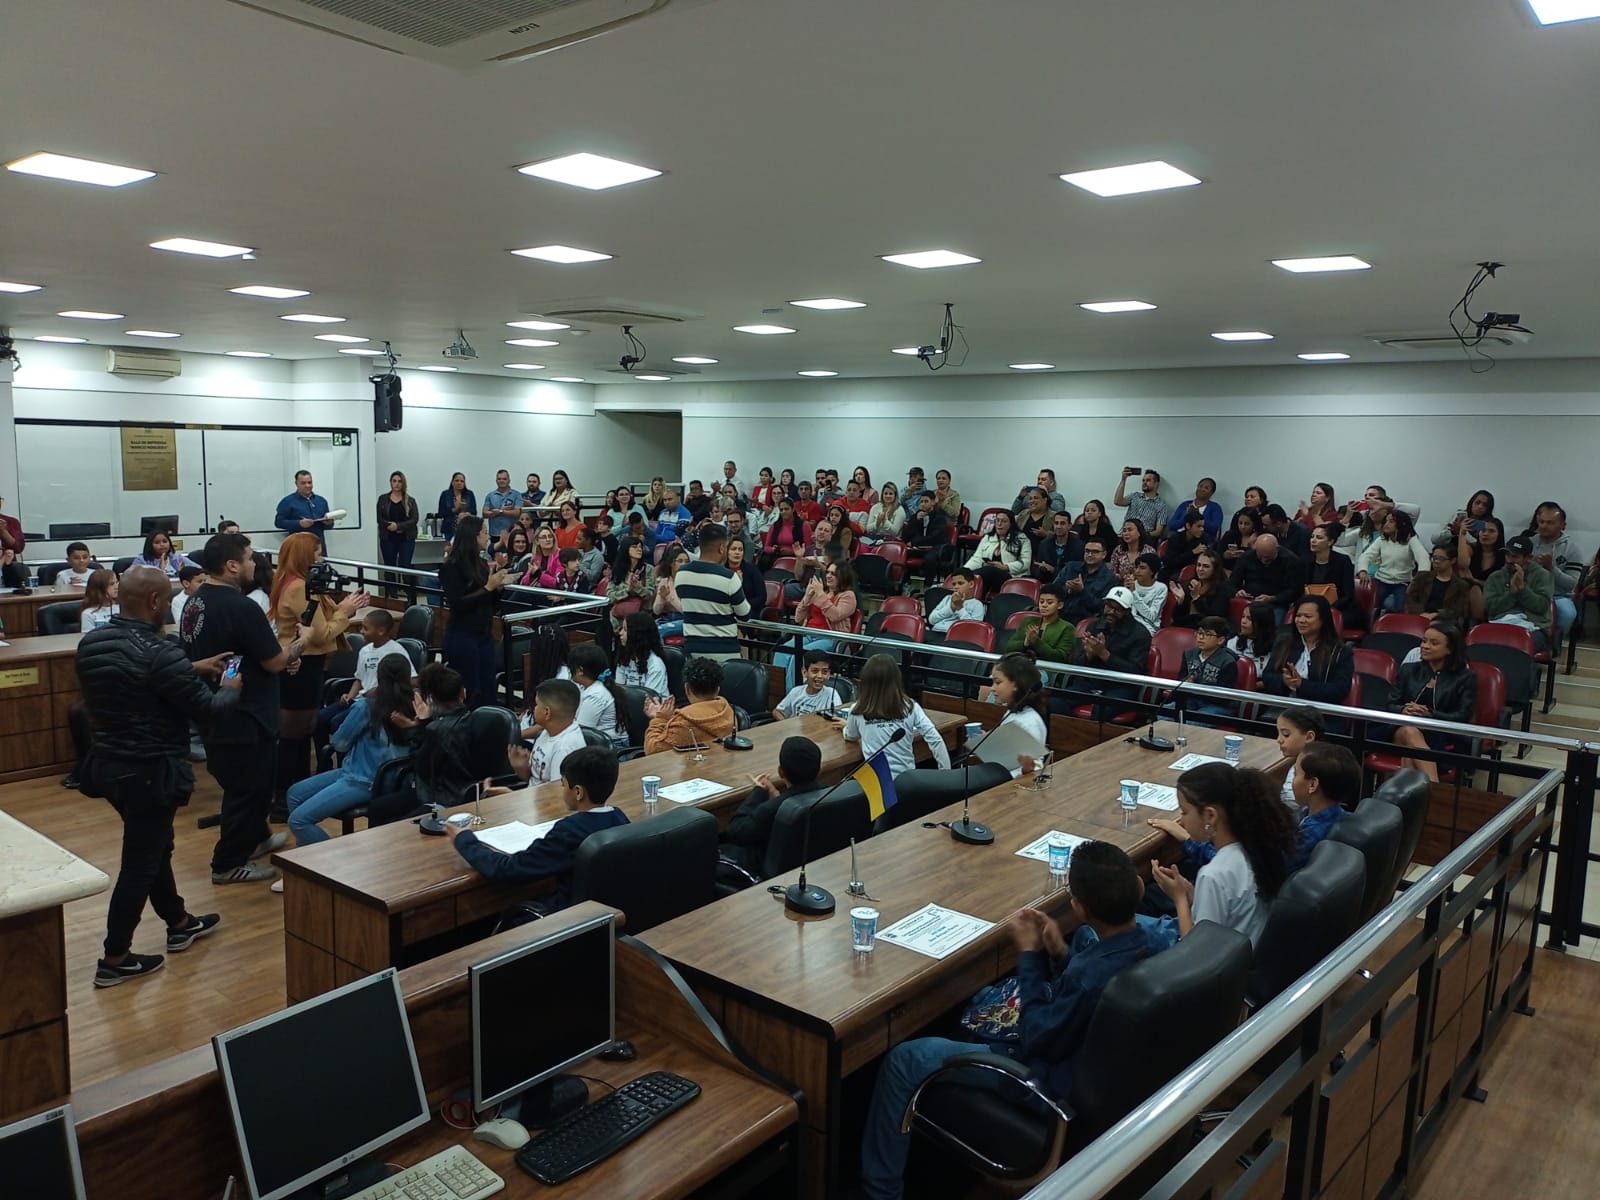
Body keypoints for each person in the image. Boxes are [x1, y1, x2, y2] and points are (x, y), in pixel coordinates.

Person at [858, 842, 1163, 1200]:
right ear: (1138, 888)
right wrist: (1059, 953)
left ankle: (879, 1193)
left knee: (904, 1060)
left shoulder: (1089, 978)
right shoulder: (1151, 943)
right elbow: (1082, 997)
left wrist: (1030, 955)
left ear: (1079, 907)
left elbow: (1036, 1037)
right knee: (980, 999)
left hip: (1043, 1082)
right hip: (1087, 1065)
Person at [76, 566, 240, 987]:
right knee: (140, 862)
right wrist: (230, 687)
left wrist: (189, 667)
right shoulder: (161, 653)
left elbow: (134, 678)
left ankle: (179, 922)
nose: (168, 607)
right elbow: (209, 711)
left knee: (154, 847)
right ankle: (115, 959)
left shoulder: (93, 643)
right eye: (166, 600)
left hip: (108, 766)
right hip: (149, 772)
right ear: (153, 601)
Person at [179, 533, 311, 884]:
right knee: (248, 789)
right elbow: (274, 661)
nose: (255, 563)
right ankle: (227, 863)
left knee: (249, 783)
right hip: (245, 715)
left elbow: (240, 653)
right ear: (232, 565)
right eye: (250, 557)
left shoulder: (194, 601)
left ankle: (256, 838)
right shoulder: (241, 607)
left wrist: (279, 658)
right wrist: (303, 643)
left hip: (211, 708)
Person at [447, 745, 628, 913]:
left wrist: (464, 839)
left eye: (563, 785)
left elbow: (506, 870)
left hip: (567, 919)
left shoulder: (568, 832)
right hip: (608, 913)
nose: (562, 790)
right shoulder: (621, 819)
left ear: (578, 792)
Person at [1148, 763, 1297, 946]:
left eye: (1185, 812)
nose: (1181, 819)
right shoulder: (1257, 848)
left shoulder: (1214, 874)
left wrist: (1179, 899)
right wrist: (1193, 895)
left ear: (1210, 815)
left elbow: (1196, 952)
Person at [270, 532, 368, 809]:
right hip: (300, 665)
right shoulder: (298, 587)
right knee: (294, 734)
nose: (321, 557)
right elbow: (321, 633)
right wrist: (345, 611)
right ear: (304, 555)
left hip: (310, 663)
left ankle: (297, 788)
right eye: (317, 552)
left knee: (303, 731)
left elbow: (325, 619)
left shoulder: (302, 584)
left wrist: (346, 606)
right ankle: (285, 795)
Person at [286, 656, 413, 846]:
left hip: (363, 780)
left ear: (378, 677)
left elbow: (340, 744)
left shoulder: (366, 706)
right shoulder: (416, 704)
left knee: (298, 821)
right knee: (294, 793)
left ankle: (332, 861)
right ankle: (305, 855)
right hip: (395, 781)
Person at [721, 736, 824, 876]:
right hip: (814, 866)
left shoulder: (769, 809)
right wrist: (777, 797)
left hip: (766, 873)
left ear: (781, 772)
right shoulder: (833, 793)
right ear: (820, 769)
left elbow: (735, 832)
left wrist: (758, 792)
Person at [1389, 620, 1477, 782]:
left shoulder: (1465, 677)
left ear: (1450, 649)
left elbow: (1463, 715)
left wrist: (1431, 714)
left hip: (1440, 734)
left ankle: (1411, 795)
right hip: (1399, 730)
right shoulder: (1409, 670)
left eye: (1434, 643)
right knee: (1409, 731)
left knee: (1411, 752)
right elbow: (1390, 704)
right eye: (1424, 641)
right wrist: (1404, 709)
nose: (1425, 646)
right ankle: (1434, 788)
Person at [838, 653, 951, 776]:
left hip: (878, 782)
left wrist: (846, 727)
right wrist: (946, 775)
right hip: (908, 780)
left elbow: (851, 736)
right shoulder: (910, 706)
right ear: (897, 680)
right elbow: (935, 739)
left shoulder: (857, 710)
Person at [439, 515, 509, 706]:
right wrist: (488, 587)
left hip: (484, 634)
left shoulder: (482, 564)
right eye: (485, 532)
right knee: (469, 688)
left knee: (488, 687)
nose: (488, 537)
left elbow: (491, 603)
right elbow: (457, 603)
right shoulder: (451, 566)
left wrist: (497, 588)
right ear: (473, 536)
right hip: (462, 635)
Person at [1068, 587, 1152, 721]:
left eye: (1117, 609)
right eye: (1108, 606)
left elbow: (1135, 671)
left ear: (1128, 611)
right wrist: (1089, 655)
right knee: (1056, 700)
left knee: (1100, 709)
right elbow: (1076, 664)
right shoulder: (1094, 626)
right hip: (1092, 682)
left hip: (1121, 687)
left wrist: (1105, 655)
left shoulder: (1140, 634)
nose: (1111, 612)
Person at [677, 525, 752, 661]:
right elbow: (744, 614)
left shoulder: (681, 573)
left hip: (692, 651)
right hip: (724, 653)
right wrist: (739, 586)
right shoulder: (729, 577)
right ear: (722, 548)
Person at [778, 560, 858, 685]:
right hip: (808, 635)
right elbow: (798, 618)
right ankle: (778, 691)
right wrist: (807, 597)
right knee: (781, 651)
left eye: (833, 574)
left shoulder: (848, 596)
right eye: (828, 572)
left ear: (843, 576)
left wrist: (820, 594)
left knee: (798, 657)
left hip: (829, 638)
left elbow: (835, 615)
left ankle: (792, 693)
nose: (828, 576)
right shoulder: (820, 592)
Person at [1263, 595, 1354, 705]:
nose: (1301, 620)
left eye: (1308, 616)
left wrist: (1302, 684)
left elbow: (1339, 690)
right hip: (1283, 705)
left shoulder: (1340, 652)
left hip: (1320, 710)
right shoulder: (1284, 643)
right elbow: (1267, 676)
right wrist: (1284, 681)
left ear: (1323, 619)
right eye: (1298, 616)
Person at [1287, 744, 1358, 871]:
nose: (1293, 779)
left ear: (1312, 785)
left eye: (1296, 773)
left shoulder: (1308, 837)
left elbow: (1275, 869)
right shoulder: (1342, 816)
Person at [644, 656, 737, 751]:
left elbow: (652, 750)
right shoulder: (729, 711)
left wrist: (659, 719)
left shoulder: (683, 722)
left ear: (687, 688)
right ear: (718, 689)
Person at [980, 653, 1049, 776]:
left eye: (998, 682)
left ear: (1016, 684)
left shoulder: (1030, 723)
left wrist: (1028, 768)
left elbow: (1035, 770)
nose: (992, 688)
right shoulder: (1013, 711)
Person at [1356, 509, 1430, 614]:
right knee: (1371, 605)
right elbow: (1366, 556)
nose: (1386, 524)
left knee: (1399, 608)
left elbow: (1424, 558)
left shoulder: (1411, 540)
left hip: (1402, 583)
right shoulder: (1381, 540)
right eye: (1385, 521)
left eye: (1391, 521)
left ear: (1401, 524)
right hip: (1381, 580)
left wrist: (1418, 581)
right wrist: (1363, 571)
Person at [1167, 616, 1239, 721]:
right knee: (1164, 713)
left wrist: (1196, 687)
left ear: (1220, 640)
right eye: (1200, 633)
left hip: (1217, 705)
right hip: (1191, 699)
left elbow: (1224, 696)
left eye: (1208, 634)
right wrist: (1181, 686)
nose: (1201, 637)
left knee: (1192, 723)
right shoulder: (1189, 654)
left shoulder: (1228, 662)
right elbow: (1181, 677)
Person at [1528, 502, 1582, 640]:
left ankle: (1553, 642)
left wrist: (1551, 569)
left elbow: (1571, 584)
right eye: (1541, 522)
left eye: (1550, 523)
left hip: (1558, 595)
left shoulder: (1572, 549)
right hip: (1529, 592)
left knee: (1568, 614)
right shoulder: (1528, 543)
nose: (1544, 526)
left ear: (1563, 525)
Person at [569, 642, 628, 749]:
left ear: (580, 670)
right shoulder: (586, 687)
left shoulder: (596, 694)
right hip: (596, 743)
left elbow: (582, 732)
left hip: (611, 746)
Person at [1231, 533, 1304, 616]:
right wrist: (1238, 591)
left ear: (1277, 549)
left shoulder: (1291, 561)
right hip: (1249, 600)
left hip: (1276, 604)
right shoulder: (1246, 557)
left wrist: (1272, 598)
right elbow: (1232, 582)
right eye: (1260, 557)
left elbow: (1295, 591)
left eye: (1268, 558)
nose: (1263, 561)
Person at [964, 509, 1031, 594]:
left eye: (1004, 521)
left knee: (989, 570)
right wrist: (965, 570)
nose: (999, 524)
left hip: (1011, 576)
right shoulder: (988, 537)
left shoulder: (1022, 539)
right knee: (973, 578)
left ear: (1011, 524)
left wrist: (1005, 567)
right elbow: (977, 558)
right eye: (997, 520)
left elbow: (1026, 562)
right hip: (987, 575)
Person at [1006, 583, 1075, 662]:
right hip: (1022, 664)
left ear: (1060, 605)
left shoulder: (1067, 628)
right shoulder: (1028, 621)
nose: (1044, 605)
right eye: (1041, 602)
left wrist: (1036, 641)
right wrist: (1026, 642)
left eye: (1049, 602)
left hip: (1047, 668)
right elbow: (1009, 648)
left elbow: (1060, 657)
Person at [1405, 545, 1473, 622]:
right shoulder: (1422, 577)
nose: (1436, 561)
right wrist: (1422, 613)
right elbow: (1410, 599)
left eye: (1441, 559)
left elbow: (1459, 609)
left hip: (1445, 621)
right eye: (1434, 558)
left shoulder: (1461, 585)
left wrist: (1436, 615)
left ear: (1453, 561)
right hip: (1419, 616)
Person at [1274, 706, 1325, 809]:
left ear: (1309, 737)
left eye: (1286, 734)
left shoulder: (1310, 769)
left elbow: (1290, 803)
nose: (1279, 740)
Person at [1302, 522, 1356, 616]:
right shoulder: (1305, 561)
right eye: (1312, 537)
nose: (1313, 540)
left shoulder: (1343, 561)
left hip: (1339, 608)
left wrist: (1327, 609)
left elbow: (1348, 595)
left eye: (1319, 538)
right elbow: (1300, 591)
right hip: (1311, 608)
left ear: (1330, 542)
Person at [1055, 539, 1114, 622]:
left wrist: (1082, 591)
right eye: (1087, 551)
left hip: (1085, 621)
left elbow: (1102, 607)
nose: (1090, 555)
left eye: (1095, 552)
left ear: (1104, 555)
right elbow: (1052, 590)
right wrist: (1067, 589)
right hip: (1059, 614)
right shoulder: (1070, 568)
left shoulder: (1110, 578)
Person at [774, 650, 845, 719]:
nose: (820, 676)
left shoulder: (832, 694)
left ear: (829, 674)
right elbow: (777, 711)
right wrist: (787, 724)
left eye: (824, 672)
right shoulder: (795, 691)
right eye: (815, 671)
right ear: (804, 672)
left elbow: (838, 719)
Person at [1171, 548, 1230, 628]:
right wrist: (1180, 602)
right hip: (1186, 627)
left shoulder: (1223, 589)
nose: (1200, 569)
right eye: (1198, 565)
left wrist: (1197, 598)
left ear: (1215, 569)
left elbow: (1213, 619)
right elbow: (1177, 619)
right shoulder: (1190, 584)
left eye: (1206, 566)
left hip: (1207, 630)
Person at [274, 469, 334, 548]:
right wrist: (299, 523)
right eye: (303, 483)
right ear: (296, 484)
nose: (307, 486)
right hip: (298, 547)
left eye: (309, 482)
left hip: (319, 546)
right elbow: (278, 522)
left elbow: (329, 526)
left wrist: (329, 523)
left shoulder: (321, 501)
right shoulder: (287, 502)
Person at [615, 610, 669, 696]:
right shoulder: (624, 658)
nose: (620, 633)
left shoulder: (655, 665)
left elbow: (649, 698)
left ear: (637, 634)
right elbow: (618, 691)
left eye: (625, 630)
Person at [375, 470, 419, 570]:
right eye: (394, 481)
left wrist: (398, 526)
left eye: (399, 481)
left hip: (406, 539)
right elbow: (378, 517)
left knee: (405, 566)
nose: (397, 484)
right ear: (390, 482)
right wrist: (389, 526)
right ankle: (390, 581)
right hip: (388, 538)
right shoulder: (383, 499)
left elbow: (414, 519)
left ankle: (405, 581)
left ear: (403, 483)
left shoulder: (410, 500)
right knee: (389, 567)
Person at [606, 536, 655, 620]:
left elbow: (650, 595)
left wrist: (638, 588)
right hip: (617, 615)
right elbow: (610, 596)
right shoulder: (617, 569)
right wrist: (627, 590)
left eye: (640, 547)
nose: (639, 549)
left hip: (642, 615)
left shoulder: (648, 569)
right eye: (634, 547)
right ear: (626, 549)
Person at [1113, 466, 1170, 539]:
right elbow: (1117, 501)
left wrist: (1140, 534)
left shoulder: (1161, 505)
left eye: (1148, 480)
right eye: (1143, 480)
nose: (1144, 483)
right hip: (1125, 534)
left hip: (1144, 538)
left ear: (1156, 484)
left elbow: (1158, 532)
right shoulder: (1135, 496)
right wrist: (1123, 479)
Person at [1158, 508, 1211, 582]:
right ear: (1188, 526)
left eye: (1203, 526)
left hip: (1192, 572)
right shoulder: (1175, 539)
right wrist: (1192, 552)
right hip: (1171, 571)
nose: (1202, 529)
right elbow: (1170, 562)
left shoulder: (1203, 539)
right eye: (1198, 526)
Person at [928, 568, 984, 635]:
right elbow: (931, 620)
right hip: (936, 631)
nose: (956, 587)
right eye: (954, 584)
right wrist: (951, 608)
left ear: (971, 584)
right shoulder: (948, 598)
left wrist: (960, 608)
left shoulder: (977, 605)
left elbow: (974, 629)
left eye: (960, 583)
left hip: (956, 636)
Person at [1229, 601, 1277, 678]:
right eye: (1243, 616)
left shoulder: (1275, 647)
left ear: (1262, 623)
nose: (1243, 621)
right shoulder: (1233, 641)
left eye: (1249, 619)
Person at [1170, 476, 1224, 543]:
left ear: (1211, 493)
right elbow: (1172, 525)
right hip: (1180, 538)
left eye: (1206, 488)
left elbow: (1214, 529)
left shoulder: (1215, 508)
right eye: (1200, 486)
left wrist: (1198, 516)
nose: (1202, 489)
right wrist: (1186, 515)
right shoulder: (1184, 505)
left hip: (1201, 540)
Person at [1033, 511, 1084, 581]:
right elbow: (1039, 569)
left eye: (1062, 523)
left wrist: (1053, 570)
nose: (1058, 527)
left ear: (1069, 526)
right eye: (1056, 523)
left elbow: (1076, 572)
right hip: (1047, 581)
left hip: (1068, 583)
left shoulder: (1079, 546)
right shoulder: (1044, 544)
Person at [653, 544, 689, 638]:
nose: (684, 564)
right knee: (648, 630)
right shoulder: (665, 581)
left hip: (684, 620)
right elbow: (656, 611)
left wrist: (668, 597)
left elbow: (685, 610)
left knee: (659, 631)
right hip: (666, 618)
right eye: (680, 561)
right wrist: (662, 598)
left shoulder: (690, 582)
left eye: (686, 561)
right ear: (671, 563)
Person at [725, 533, 766, 615]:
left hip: (749, 610)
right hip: (726, 610)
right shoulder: (722, 570)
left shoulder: (752, 570)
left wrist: (742, 605)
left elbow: (761, 597)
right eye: (733, 549)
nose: (737, 552)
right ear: (727, 551)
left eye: (740, 549)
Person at [1127, 553, 1167, 635]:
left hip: (1148, 628)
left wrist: (1134, 593)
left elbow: (1151, 616)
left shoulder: (1161, 588)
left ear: (1152, 571)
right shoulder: (1131, 584)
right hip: (1129, 625)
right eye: (1136, 567)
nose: (1137, 571)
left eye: (1142, 568)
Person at [482, 469, 521, 541]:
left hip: (512, 534)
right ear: (496, 481)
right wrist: (500, 511)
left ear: (509, 480)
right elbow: (484, 513)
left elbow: (517, 513)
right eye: (499, 479)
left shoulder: (516, 495)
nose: (501, 481)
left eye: (504, 479)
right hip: (495, 534)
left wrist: (501, 511)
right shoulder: (490, 495)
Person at [437, 472, 476, 542]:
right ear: (452, 482)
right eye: (457, 480)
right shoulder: (445, 494)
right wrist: (455, 509)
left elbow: (474, 512)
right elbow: (441, 513)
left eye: (462, 481)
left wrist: (467, 514)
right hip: (449, 529)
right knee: (450, 548)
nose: (459, 483)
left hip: (466, 528)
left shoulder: (469, 494)